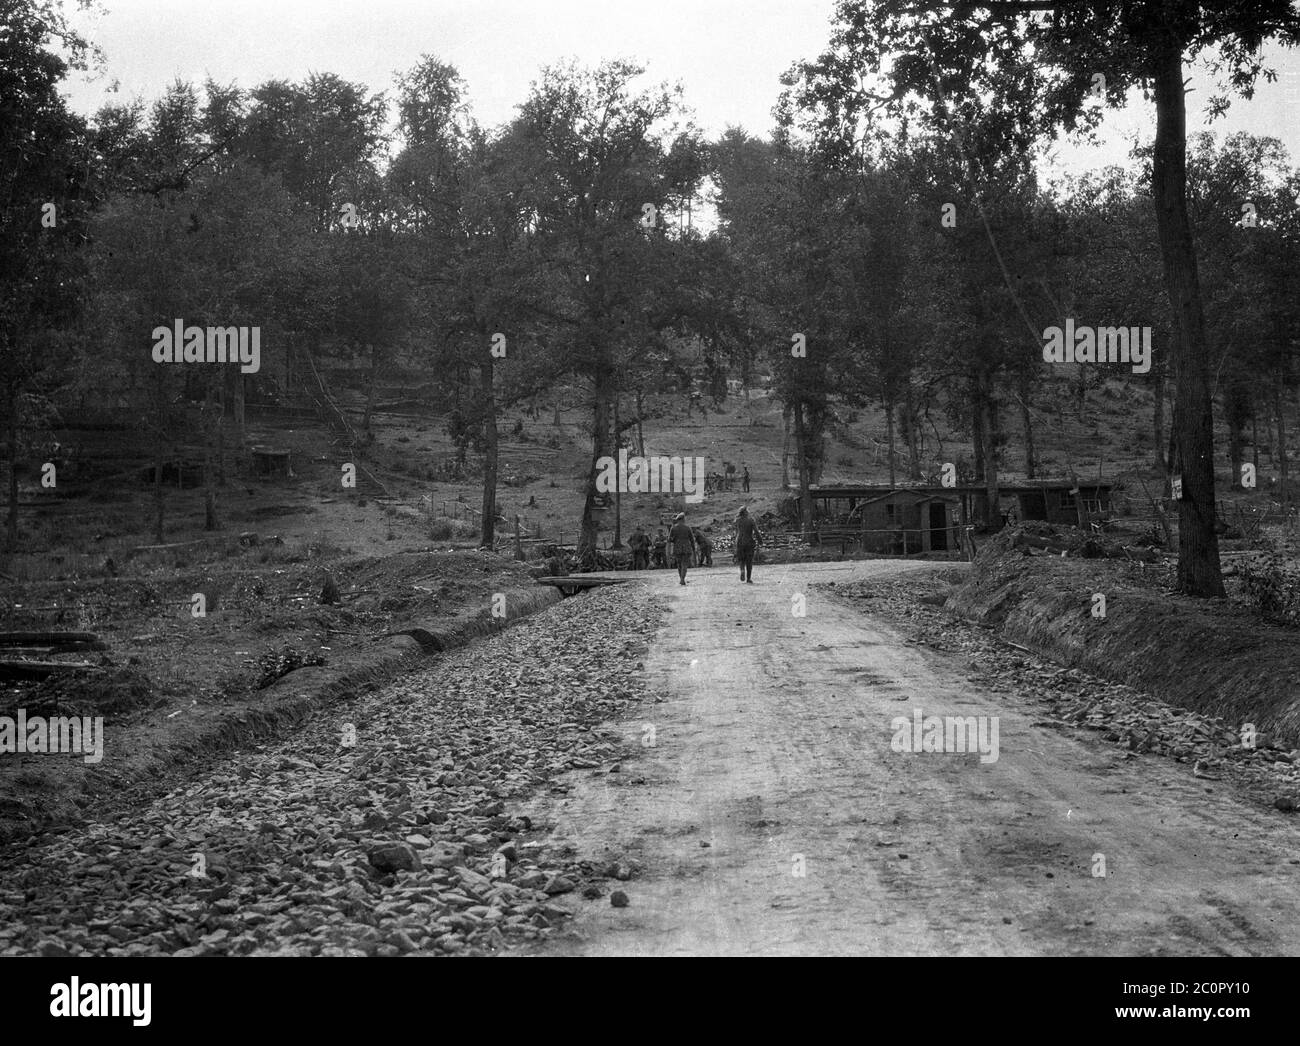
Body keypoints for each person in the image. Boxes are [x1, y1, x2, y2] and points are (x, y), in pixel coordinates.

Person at [735, 506, 762, 583]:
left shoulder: (737, 520)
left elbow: (736, 532)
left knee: (741, 559)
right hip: (749, 541)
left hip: (739, 541)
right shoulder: (751, 520)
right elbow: (756, 531)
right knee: (749, 561)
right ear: (746, 512)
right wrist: (760, 540)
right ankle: (748, 578)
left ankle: (742, 570)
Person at [669, 512, 695, 585]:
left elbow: (669, 539)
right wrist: (693, 548)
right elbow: (692, 539)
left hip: (677, 548)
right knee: (684, 564)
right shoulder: (687, 528)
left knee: (679, 564)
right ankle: (682, 579)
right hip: (686, 547)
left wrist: (675, 539)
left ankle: (681, 578)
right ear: (683, 519)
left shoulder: (673, 528)